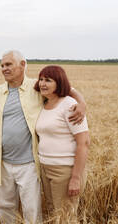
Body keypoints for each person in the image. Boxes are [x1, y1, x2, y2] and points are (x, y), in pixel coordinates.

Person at [0, 50, 86, 224]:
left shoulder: (37, 87)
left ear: (23, 65)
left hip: (29, 163)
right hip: (2, 162)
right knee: (4, 207)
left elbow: (66, 88)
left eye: (9, 64)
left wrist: (81, 102)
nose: (4, 68)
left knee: (31, 209)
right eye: (2, 65)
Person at [34, 65, 90, 222]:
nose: (42, 84)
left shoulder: (70, 105)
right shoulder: (45, 103)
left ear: (59, 83)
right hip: (46, 169)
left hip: (64, 171)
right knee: (53, 214)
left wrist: (76, 178)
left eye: (48, 80)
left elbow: (84, 143)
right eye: (41, 79)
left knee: (65, 218)